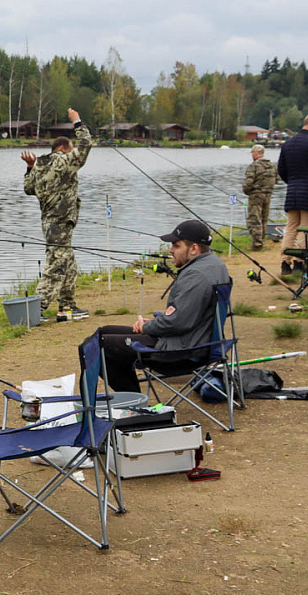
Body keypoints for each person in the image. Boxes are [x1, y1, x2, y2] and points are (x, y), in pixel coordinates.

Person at [93, 220, 232, 394]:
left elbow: (178, 322)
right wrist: (154, 323)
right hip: (200, 341)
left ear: (194, 249)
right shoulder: (214, 264)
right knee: (103, 332)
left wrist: (146, 327)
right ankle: (131, 398)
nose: (171, 250)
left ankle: (135, 404)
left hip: (184, 352)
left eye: (176, 245)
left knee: (102, 345)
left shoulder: (196, 276)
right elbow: (187, 316)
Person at [21, 108, 93, 315]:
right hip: (60, 223)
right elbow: (86, 145)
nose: (72, 154)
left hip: (50, 223)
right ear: (62, 148)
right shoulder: (64, 161)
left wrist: (29, 168)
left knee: (69, 264)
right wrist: (77, 122)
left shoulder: (39, 166)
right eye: (70, 150)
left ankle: (67, 307)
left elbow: (28, 189)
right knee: (56, 265)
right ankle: (35, 310)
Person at [275, 115, 308, 273]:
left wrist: (292, 182)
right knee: (306, 229)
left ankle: (285, 263)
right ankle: (300, 262)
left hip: (292, 191)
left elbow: (281, 169)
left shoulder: (288, 143)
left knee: (291, 228)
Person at [240, 144, 277, 250]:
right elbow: (277, 179)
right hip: (268, 195)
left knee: (254, 218)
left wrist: (246, 190)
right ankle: (262, 239)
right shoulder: (272, 165)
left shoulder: (254, 166)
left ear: (256, 153)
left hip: (255, 195)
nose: (252, 154)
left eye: (252, 152)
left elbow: (249, 182)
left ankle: (257, 244)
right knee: (264, 218)